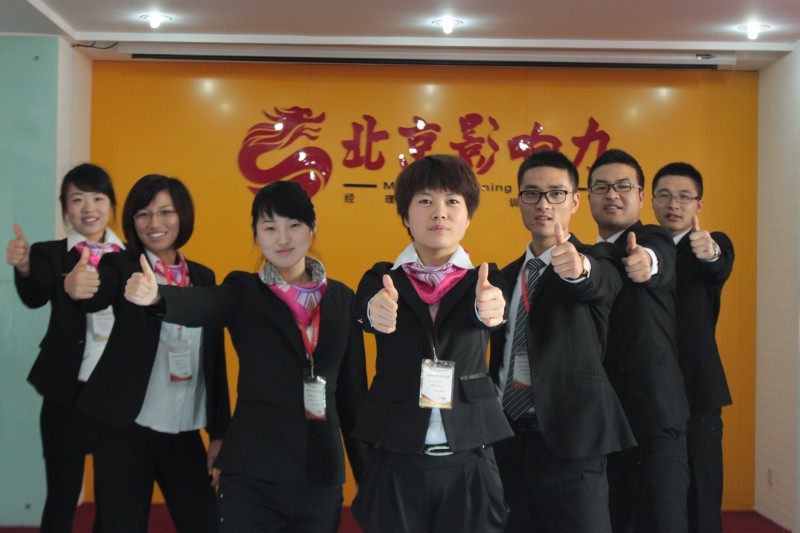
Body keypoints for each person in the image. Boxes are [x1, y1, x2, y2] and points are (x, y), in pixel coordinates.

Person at [124, 180, 367, 533]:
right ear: (255, 233)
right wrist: (158, 298)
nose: (282, 239)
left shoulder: (343, 299)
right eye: (269, 228)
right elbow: (202, 304)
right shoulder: (243, 291)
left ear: (312, 227)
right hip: (252, 472)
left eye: (294, 225)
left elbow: (352, 397)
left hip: (320, 474)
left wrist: (366, 474)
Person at [350, 154, 512, 533]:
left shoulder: (486, 279)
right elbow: (366, 309)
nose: (439, 212)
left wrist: (491, 309)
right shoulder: (381, 278)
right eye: (425, 200)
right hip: (395, 454)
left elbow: (492, 308)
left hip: (470, 454)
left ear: (468, 216)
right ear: (406, 216)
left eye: (452, 201)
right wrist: (375, 312)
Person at [67, 174, 230, 533]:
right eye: (143, 214)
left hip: (184, 431)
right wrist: (76, 287)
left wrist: (220, 433)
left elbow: (214, 360)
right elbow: (97, 291)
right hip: (126, 429)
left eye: (165, 212)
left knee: (206, 523)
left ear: (183, 215)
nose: (154, 223)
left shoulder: (203, 277)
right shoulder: (122, 266)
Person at [489, 150, 635, 533]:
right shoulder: (504, 278)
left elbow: (600, 282)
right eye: (531, 193)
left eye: (556, 193)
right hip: (508, 439)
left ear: (574, 201)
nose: (543, 204)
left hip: (573, 441)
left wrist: (579, 269)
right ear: (519, 200)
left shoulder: (599, 259)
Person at [6, 163, 123, 533]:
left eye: (98, 198)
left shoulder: (130, 255)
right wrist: (25, 266)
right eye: (77, 199)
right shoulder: (49, 253)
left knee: (114, 498)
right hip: (64, 391)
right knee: (62, 495)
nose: (88, 208)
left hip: (118, 393)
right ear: (65, 207)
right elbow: (36, 295)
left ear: (111, 204)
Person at [586, 149, 690, 533]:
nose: (612, 194)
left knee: (662, 522)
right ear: (588, 197)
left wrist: (645, 263)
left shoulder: (654, 238)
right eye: (601, 187)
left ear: (641, 197)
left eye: (623, 186)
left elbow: (655, 258)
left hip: (654, 415)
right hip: (603, 421)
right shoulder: (583, 258)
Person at [651, 162, 734, 533]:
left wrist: (709, 250)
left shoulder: (710, 244)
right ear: (651, 201)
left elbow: (719, 266)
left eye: (684, 197)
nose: (674, 204)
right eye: (665, 195)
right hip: (649, 389)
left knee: (701, 489)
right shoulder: (640, 248)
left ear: (698, 204)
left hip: (697, 388)